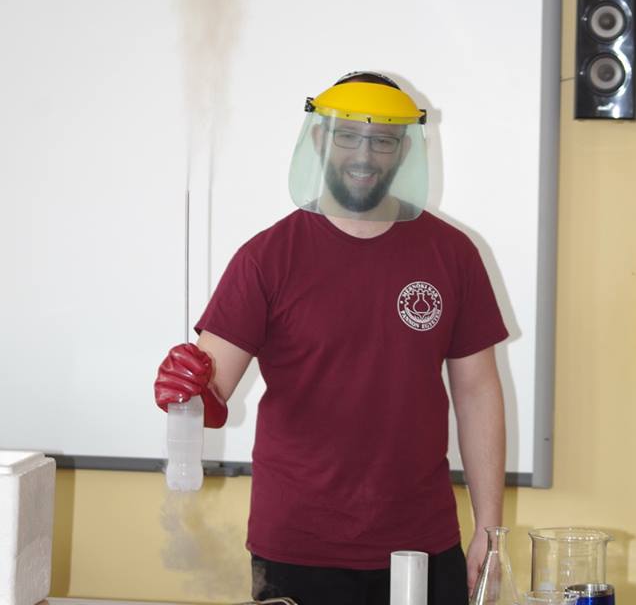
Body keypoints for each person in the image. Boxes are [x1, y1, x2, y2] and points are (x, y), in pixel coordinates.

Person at [154, 71, 509, 605]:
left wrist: (489, 529)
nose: (363, 155)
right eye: (347, 136)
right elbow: (211, 388)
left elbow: (478, 390)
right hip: (299, 546)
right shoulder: (266, 257)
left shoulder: (453, 254)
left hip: (422, 542)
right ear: (320, 138)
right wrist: (187, 388)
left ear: (404, 148)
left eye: (382, 140)